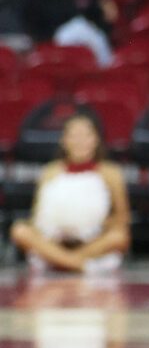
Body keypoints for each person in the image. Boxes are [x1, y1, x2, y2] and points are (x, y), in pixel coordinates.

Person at [8, 110, 130, 278]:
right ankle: (78, 264)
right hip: (52, 243)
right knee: (20, 230)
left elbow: (122, 218)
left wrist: (99, 226)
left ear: (96, 140)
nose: (79, 142)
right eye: (74, 136)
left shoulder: (111, 173)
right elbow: (36, 216)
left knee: (119, 237)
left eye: (85, 135)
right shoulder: (50, 171)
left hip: (92, 244)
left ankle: (64, 262)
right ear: (64, 140)